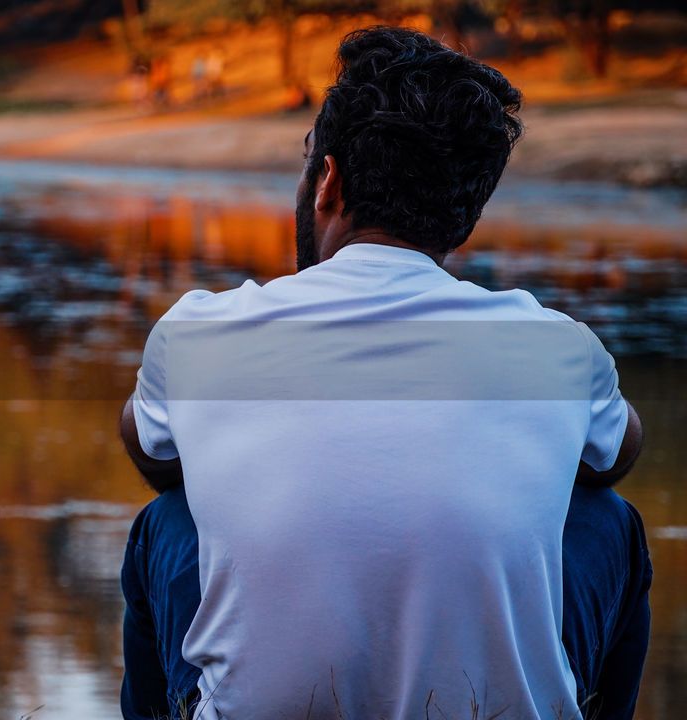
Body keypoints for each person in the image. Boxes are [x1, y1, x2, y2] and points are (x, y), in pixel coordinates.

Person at [118, 27, 651, 720]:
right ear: (463, 216)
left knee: (166, 521)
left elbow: (154, 454)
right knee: (609, 521)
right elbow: (618, 456)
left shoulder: (199, 331)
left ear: (328, 181)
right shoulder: (558, 347)